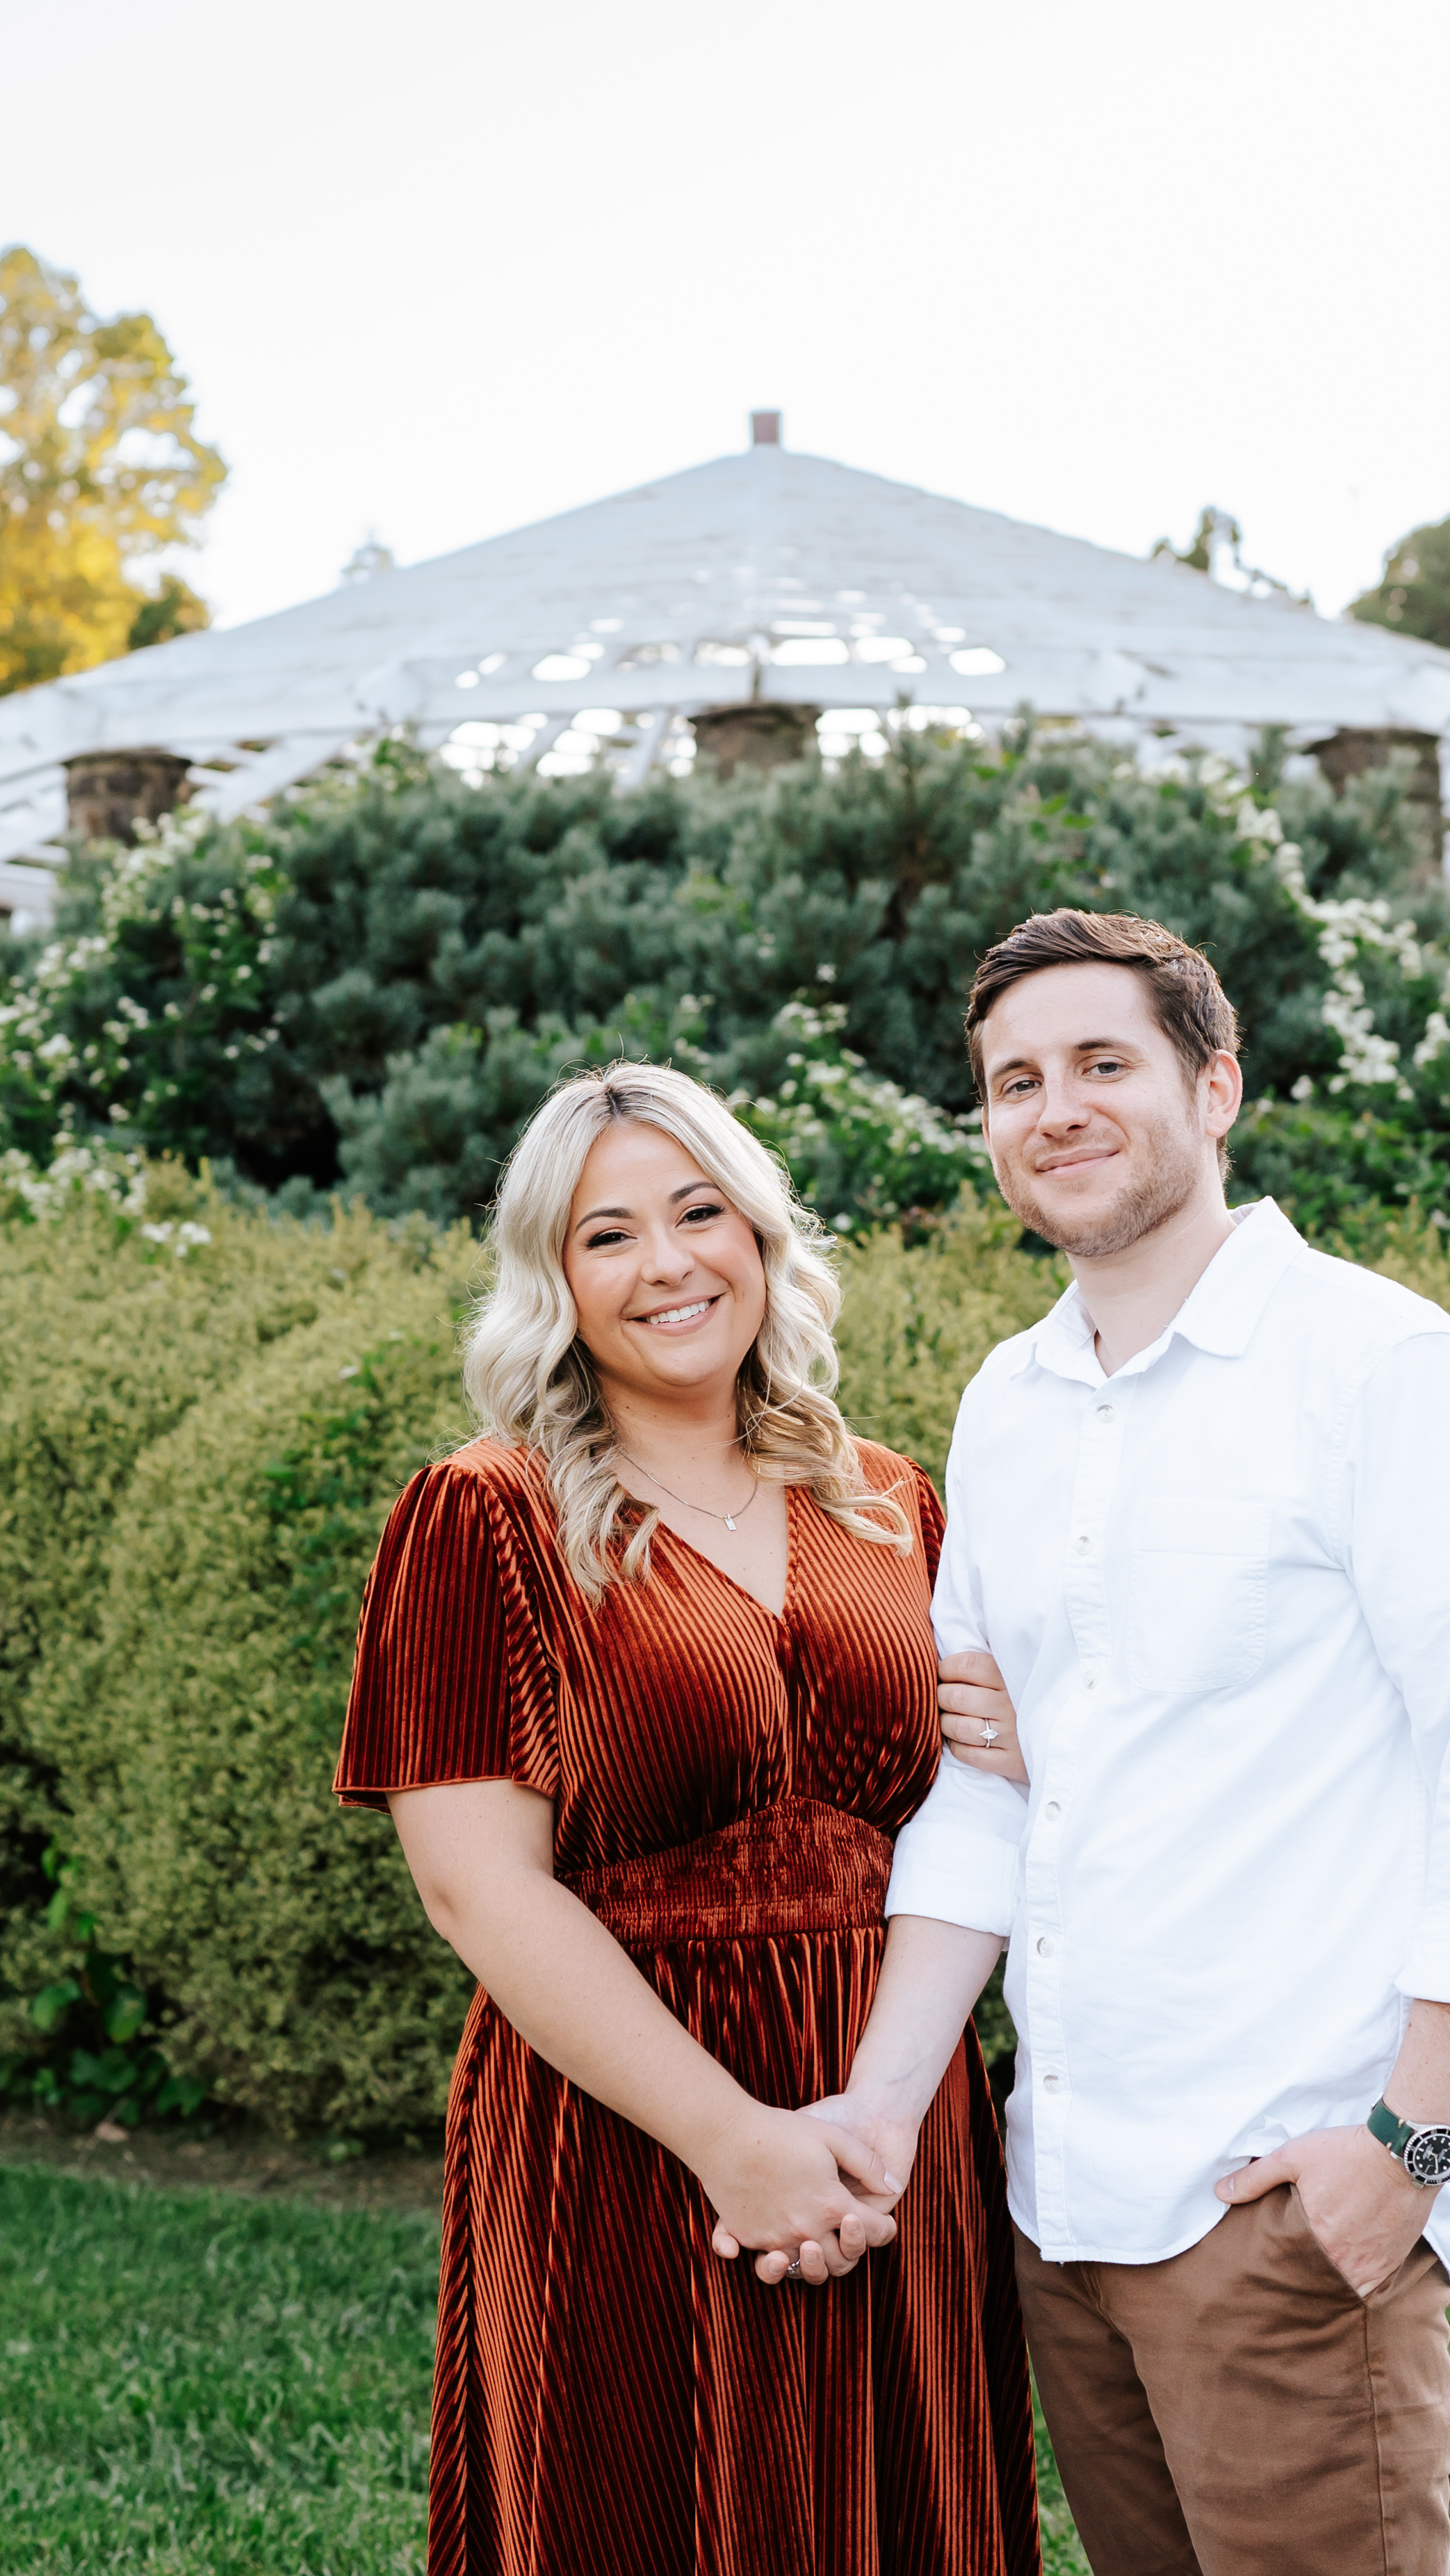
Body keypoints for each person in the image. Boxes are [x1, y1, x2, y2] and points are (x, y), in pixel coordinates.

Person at [807, 908, 1450, 2576]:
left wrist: (1409, 2145)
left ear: (1216, 1083)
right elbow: (981, 1780)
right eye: (1014, 1079)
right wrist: (885, 2106)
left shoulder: (1381, 1366)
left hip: (1286, 2202)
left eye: (1105, 1062)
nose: (1058, 1108)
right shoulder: (1008, 1402)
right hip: (1062, 2208)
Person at [334, 1061, 1042, 2576]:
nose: (667, 1263)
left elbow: (969, 1809)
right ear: (554, 1280)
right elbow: (479, 1891)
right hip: (630, 2126)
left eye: (698, 1210)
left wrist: (869, 2119)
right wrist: (736, 2143)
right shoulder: (487, 1514)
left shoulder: (889, 1502)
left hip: (890, 2109)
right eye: (607, 1234)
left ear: (762, 1235)